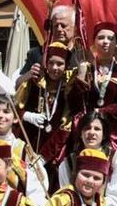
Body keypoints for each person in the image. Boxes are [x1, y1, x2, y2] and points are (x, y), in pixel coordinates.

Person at [0, 95, 49, 206]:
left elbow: (38, 187)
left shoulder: (24, 150)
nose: (0, 116)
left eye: (6, 111)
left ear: (16, 118)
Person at [70, 22, 117, 150]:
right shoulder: (85, 69)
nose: (106, 42)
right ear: (94, 42)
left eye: (111, 38)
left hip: (114, 134)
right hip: (87, 131)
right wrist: (81, 74)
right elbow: (74, 103)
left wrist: (101, 112)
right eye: (101, 38)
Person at [15, 41, 75, 174]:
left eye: (60, 64)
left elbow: (66, 127)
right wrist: (26, 116)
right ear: (45, 64)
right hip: (29, 144)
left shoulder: (69, 89)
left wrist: (43, 157)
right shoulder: (34, 84)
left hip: (54, 151)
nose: (55, 68)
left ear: (66, 66)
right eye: (51, 63)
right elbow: (13, 109)